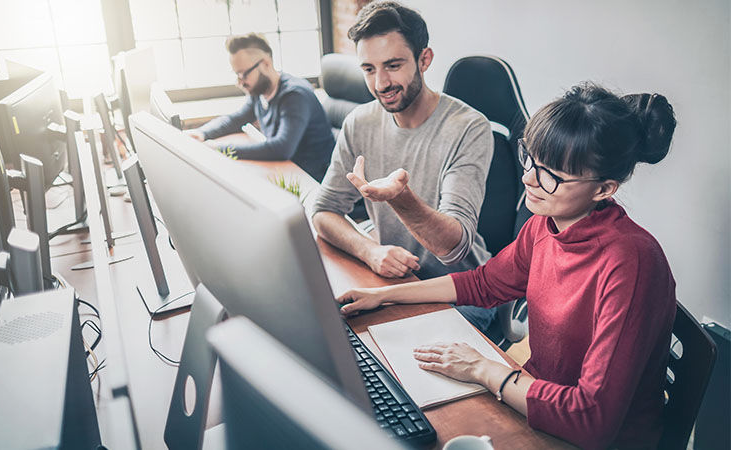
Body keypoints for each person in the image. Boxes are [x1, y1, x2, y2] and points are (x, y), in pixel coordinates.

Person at [337, 83, 678, 449]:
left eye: (552, 175)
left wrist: (483, 369)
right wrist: (384, 296)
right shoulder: (545, 225)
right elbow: (483, 285)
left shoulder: (631, 264)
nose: (529, 178)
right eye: (530, 159)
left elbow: (591, 417)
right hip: (535, 401)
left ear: (603, 190)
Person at [311, 1, 496, 334]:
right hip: (392, 282)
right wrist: (370, 250)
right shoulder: (360, 122)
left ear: (424, 60)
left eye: (393, 65)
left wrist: (401, 199)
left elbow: (452, 250)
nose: (381, 83)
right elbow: (323, 211)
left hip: (461, 293)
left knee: (395, 360)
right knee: (330, 339)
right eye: (368, 69)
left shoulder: (469, 127)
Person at [192, 33, 334, 182]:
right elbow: (235, 120)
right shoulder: (260, 91)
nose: (239, 83)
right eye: (237, 75)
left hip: (313, 180)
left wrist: (220, 150)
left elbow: (281, 149)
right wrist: (201, 133)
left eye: (243, 74)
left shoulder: (294, 95)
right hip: (287, 171)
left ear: (265, 64)